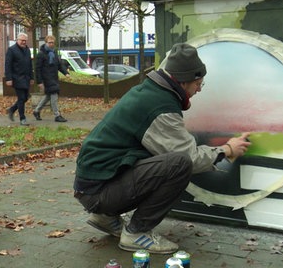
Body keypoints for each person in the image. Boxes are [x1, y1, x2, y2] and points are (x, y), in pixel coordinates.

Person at [73, 43, 251, 254]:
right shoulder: (160, 106)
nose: (199, 90)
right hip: (98, 192)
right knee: (180, 164)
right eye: (198, 84)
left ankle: (105, 217)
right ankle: (137, 233)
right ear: (184, 81)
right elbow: (190, 158)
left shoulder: (150, 92)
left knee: (167, 155)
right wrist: (227, 150)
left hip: (92, 186)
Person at [32, 35, 70, 122]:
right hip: (46, 79)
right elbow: (37, 69)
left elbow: (59, 65)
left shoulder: (54, 53)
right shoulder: (41, 54)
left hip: (54, 78)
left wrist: (66, 73)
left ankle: (36, 110)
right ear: (46, 43)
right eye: (49, 42)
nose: (51, 44)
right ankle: (57, 115)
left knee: (48, 96)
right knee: (54, 95)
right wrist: (39, 82)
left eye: (52, 42)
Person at [5, 33, 34, 126]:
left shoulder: (27, 50)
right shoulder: (11, 50)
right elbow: (7, 65)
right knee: (21, 98)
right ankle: (22, 118)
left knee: (26, 97)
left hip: (26, 78)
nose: (23, 42)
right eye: (22, 40)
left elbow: (30, 64)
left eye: (25, 40)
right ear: (17, 40)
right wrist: (8, 78)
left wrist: (32, 77)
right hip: (16, 78)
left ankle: (12, 109)